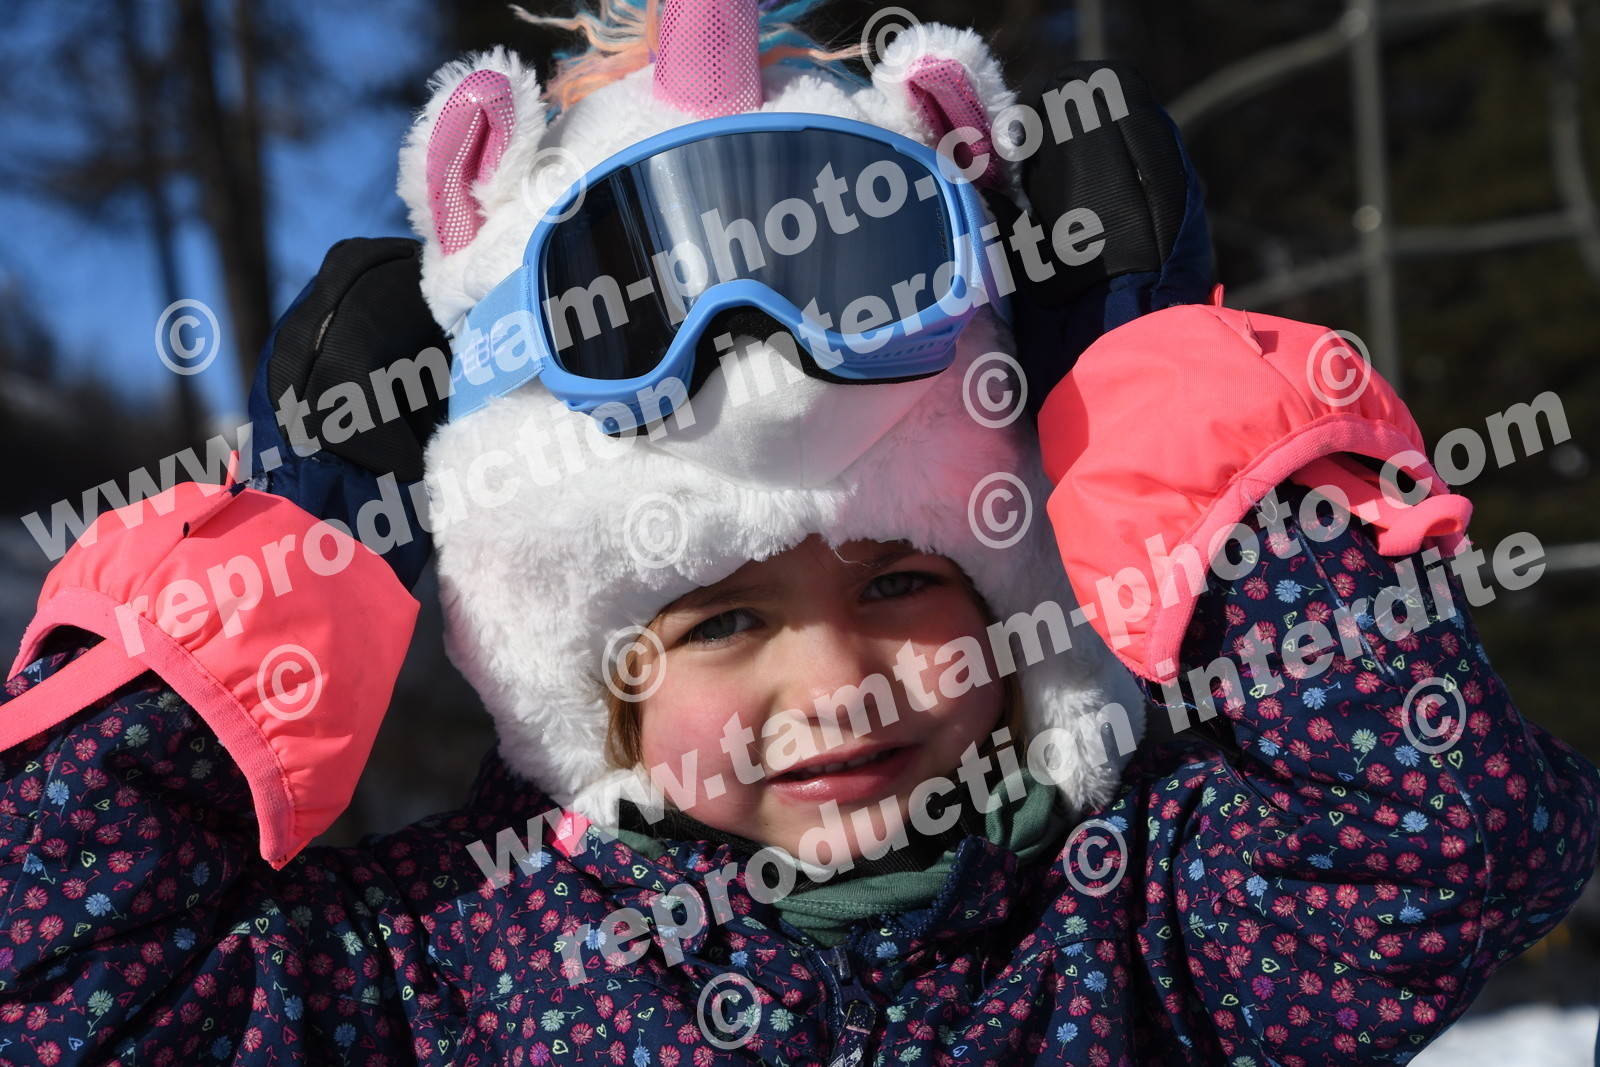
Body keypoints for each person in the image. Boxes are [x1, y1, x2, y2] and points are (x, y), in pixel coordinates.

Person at [1, 2, 1596, 1064]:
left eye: (902, 577)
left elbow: (1444, 833)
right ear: (593, 686)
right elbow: (62, 981)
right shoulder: (452, 969)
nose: (839, 681)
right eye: (720, 620)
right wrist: (298, 549)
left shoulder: (1139, 915)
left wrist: (1154, 402)